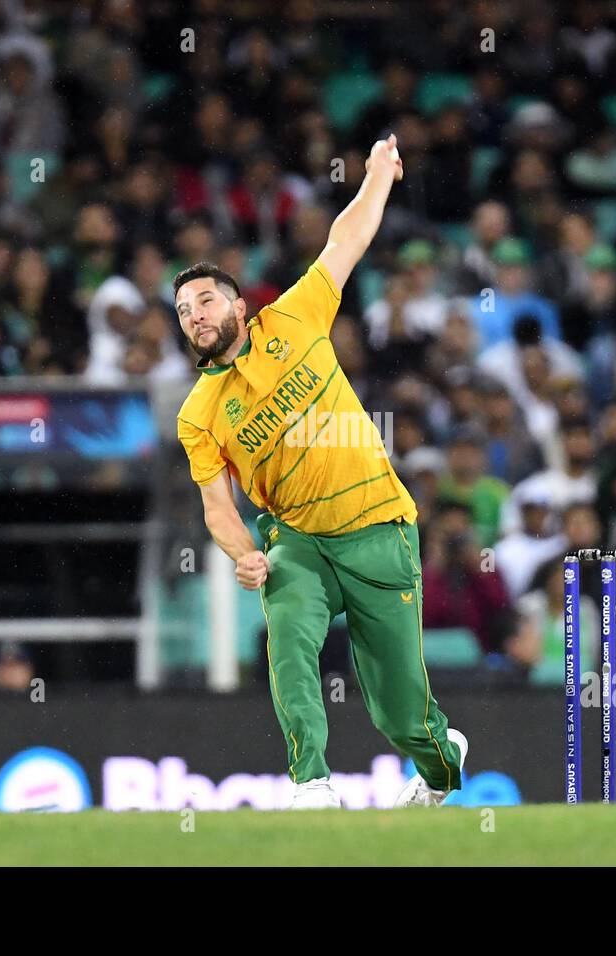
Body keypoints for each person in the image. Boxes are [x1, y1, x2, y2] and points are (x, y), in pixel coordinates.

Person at [175, 135, 466, 810]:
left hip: (377, 529)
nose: (196, 316)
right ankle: (311, 782)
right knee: (289, 640)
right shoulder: (198, 412)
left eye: (207, 302)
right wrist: (245, 554)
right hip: (297, 541)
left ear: (240, 306)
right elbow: (217, 506)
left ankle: (442, 760)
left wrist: (378, 178)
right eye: (186, 311)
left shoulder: (297, 315)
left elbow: (346, 241)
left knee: (400, 714)